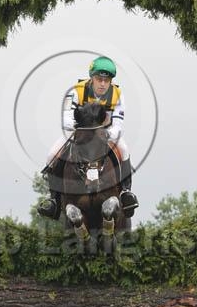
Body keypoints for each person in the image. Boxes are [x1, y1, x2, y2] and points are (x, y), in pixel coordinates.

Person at [37, 55, 139, 219]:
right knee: (51, 155)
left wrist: (106, 134)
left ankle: (126, 193)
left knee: (124, 150)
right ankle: (54, 200)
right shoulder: (76, 91)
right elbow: (67, 118)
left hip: (105, 133)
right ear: (92, 78)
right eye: (99, 79)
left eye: (107, 80)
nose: (103, 84)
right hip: (79, 132)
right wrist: (80, 131)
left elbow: (118, 124)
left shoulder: (117, 94)